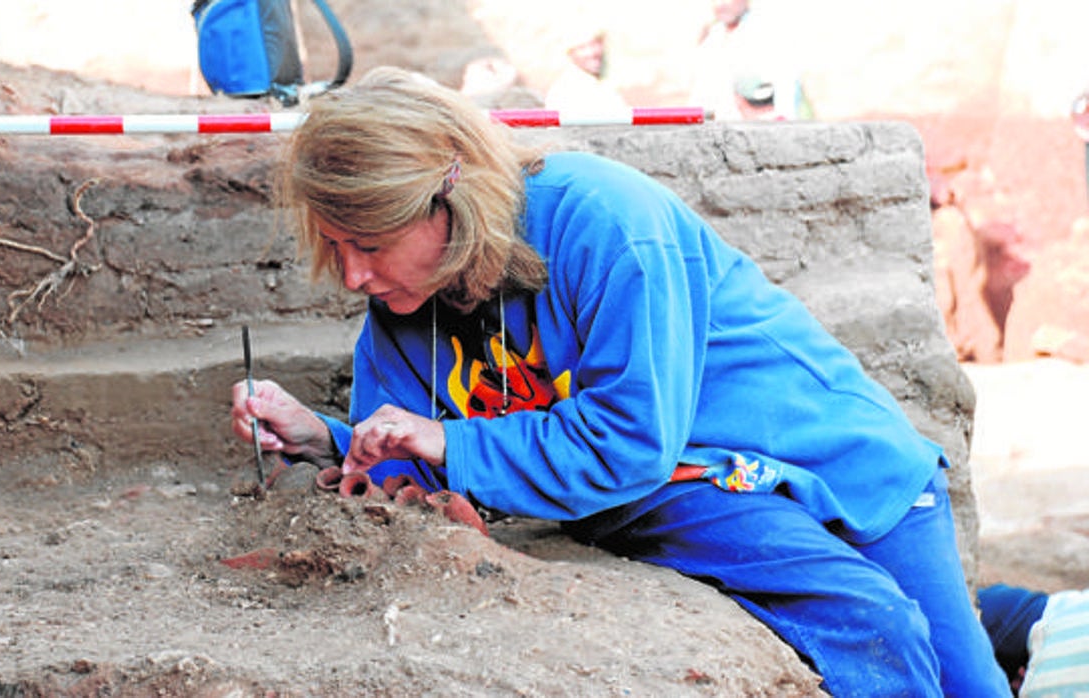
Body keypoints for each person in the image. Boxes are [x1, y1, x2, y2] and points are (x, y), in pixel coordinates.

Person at [230, 66, 1009, 696]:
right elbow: (417, 458)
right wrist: (329, 438)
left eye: (369, 242)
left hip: (844, 465)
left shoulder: (605, 221)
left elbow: (626, 440)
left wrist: (443, 442)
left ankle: (1015, 626)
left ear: (451, 205)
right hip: (696, 482)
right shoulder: (404, 305)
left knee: (957, 676)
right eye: (336, 245)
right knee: (877, 621)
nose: (353, 274)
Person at [688, 0, 812, 121]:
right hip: (717, 131)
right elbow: (701, 101)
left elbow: (786, 93)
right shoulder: (711, 38)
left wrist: (775, 119)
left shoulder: (768, 32)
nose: (720, 4)